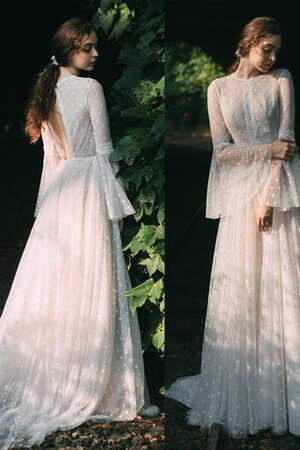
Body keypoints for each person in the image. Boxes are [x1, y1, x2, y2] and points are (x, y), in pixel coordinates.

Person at [0, 17, 159, 449]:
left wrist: (44, 210)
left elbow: (51, 158)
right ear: (70, 48)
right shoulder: (90, 89)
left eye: (94, 47)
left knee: (58, 282)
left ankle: (62, 370)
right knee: (94, 278)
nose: (95, 55)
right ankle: (100, 383)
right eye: (87, 48)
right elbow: (105, 152)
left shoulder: (47, 89)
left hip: (61, 191)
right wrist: (116, 204)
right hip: (89, 187)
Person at [166, 16, 300, 438]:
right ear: (248, 44)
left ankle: (280, 392)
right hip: (237, 203)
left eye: (277, 50)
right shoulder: (218, 88)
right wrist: (266, 151)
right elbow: (222, 153)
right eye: (268, 49)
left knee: (279, 291)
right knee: (243, 290)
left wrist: (268, 201)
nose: (274, 57)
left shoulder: (281, 79)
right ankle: (243, 388)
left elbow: (288, 145)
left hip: (275, 198)